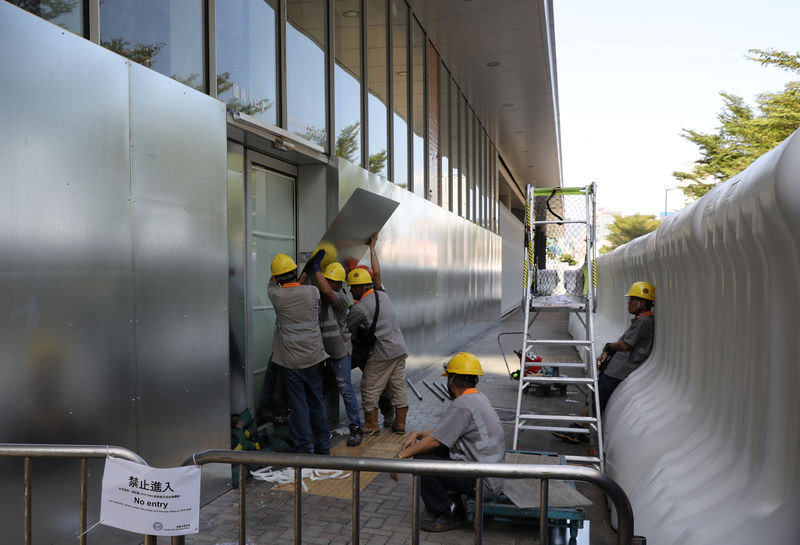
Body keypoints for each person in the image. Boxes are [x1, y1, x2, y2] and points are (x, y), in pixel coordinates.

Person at [390, 353, 505, 532]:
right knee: (432, 452)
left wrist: (400, 457)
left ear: (451, 381)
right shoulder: (478, 399)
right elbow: (446, 433)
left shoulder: (463, 405)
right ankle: (451, 502)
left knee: (422, 464)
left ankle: (449, 513)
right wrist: (417, 433)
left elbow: (435, 441)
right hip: (490, 475)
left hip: (484, 481)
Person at [553, 281, 655, 444]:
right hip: (616, 365)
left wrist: (609, 346)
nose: (629, 304)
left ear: (642, 303)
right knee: (594, 394)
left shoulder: (644, 322)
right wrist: (608, 351)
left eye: (632, 300)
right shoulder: (641, 320)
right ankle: (579, 426)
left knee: (598, 397)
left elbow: (625, 345)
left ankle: (581, 429)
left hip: (620, 369)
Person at [346, 232, 409, 436]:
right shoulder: (381, 292)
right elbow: (378, 272)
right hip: (400, 349)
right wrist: (373, 248)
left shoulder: (359, 308)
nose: (350, 293)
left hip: (382, 353)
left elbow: (348, 328)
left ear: (357, 289)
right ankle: (399, 425)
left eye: (351, 289)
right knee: (398, 388)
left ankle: (372, 425)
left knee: (370, 388)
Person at [268, 252, 331, 455]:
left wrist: (277, 276)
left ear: (277, 278)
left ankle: (305, 449)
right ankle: (324, 445)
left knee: (299, 405)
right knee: (316, 402)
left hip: (291, 363)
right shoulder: (312, 292)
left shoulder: (276, 296)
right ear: (295, 272)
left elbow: (272, 285)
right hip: (314, 358)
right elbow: (306, 298)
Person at [314, 260, 363, 447]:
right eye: (325, 280)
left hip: (341, 353)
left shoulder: (341, 298)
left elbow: (327, 291)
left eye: (330, 281)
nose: (326, 284)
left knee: (346, 391)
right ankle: (321, 429)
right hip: (325, 355)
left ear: (339, 284)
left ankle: (356, 428)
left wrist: (316, 270)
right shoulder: (320, 298)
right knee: (319, 391)